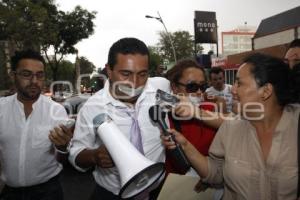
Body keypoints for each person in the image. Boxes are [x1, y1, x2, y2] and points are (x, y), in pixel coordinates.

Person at [163, 53, 300, 199]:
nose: (232, 90)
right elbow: (216, 173)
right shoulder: (230, 127)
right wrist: (185, 146)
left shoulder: (295, 125)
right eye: (192, 86)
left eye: (239, 83)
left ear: (266, 91)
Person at [69, 37, 170, 200]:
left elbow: (184, 100)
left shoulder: (160, 88)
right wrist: (94, 156)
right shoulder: (91, 108)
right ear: (109, 70)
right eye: (126, 74)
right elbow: (75, 154)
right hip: (113, 194)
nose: (135, 83)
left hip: (157, 190)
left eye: (142, 74)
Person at [0, 50, 73, 200]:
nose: (34, 81)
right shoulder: (2, 108)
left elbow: (64, 159)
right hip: (9, 193)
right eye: (27, 74)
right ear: (13, 75)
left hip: (48, 192)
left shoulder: (56, 110)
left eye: (39, 75)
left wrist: (63, 147)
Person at [165, 59, 217, 174]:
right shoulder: (164, 119)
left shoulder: (211, 111)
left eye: (203, 86)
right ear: (174, 87)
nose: (199, 92)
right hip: (176, 185)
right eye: (192, 87)